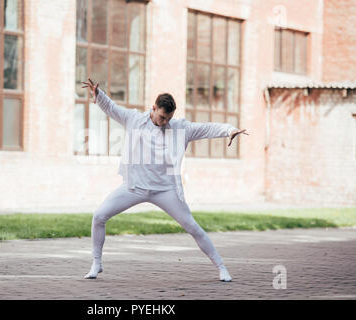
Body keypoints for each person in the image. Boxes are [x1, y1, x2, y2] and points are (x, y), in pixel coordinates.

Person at [81, 78, 249, 282]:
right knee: (99, 216)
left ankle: (221, 267)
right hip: (134, 187)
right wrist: (98, 95)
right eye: (162, 117)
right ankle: (96, 263)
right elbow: (112, 108)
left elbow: (208, 128)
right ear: (153, 108)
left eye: (168, 118)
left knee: (193, 227)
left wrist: (229, 130)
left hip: (165, 190)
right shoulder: (134, 119)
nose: (165, 122)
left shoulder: (180, 128)